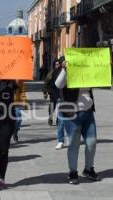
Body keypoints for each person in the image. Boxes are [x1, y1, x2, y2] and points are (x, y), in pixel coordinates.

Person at [55, 56, 100, 185]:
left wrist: (106, 67)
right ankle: (73, 172)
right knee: (73, 145)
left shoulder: (88, 71)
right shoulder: (68, 71)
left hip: (88, 113)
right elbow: (58, 84)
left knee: (92, 143)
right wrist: (64, 69)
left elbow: (102, 81)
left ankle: (88, 169)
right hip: (72, 114)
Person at [43, 58, 66, 149]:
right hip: (54, 94)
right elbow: (47, 83)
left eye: (58, 64)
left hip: (63, 97)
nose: (57, 65)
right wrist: (45, 92)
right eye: (56, 64)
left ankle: (56, 119)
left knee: (60, 117)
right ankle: (50, 117)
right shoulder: (53, 73)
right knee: (52, 107)